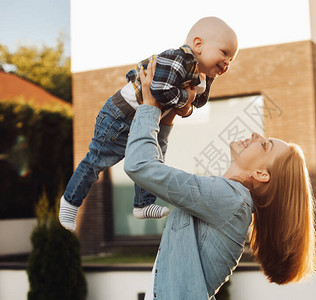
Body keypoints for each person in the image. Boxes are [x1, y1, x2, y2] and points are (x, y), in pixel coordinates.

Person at [122, 63, 316, 299]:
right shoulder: (229, 200)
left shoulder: (231, 200)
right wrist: (169, 117)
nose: (257, 135)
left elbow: (140, 166)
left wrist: (149, 107)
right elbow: (154, 173)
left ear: (261, 174)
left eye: (265, 145)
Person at [58, 16, 238, 231]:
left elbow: (196, 102)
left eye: (231, 60)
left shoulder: (200, 73)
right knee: (97, 161)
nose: (227, 63)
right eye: (224, 53)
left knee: (152, 160)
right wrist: (185, 99)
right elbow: (159, 90)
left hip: (150, 117)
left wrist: (207, 81)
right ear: (198, 45)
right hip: (121, 116)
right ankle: (70, 201)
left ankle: (143, 204)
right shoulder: (177, 59)